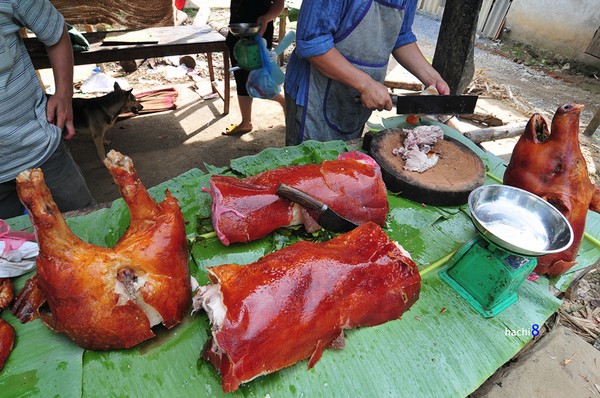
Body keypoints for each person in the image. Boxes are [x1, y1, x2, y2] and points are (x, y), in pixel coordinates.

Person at [284, 0, 450, 146]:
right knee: (308, 170)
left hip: (355, 101)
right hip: (315, 94)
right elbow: (313, 42)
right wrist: (365, 84)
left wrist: (433, 80)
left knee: (343, 165)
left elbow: (401, 35)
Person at [0, 0, 94, 219]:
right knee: (12, 246)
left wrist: (64, 93)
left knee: (87, 226)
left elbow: (55, 31)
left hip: (39, 149)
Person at [223, 0, 286, 136]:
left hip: (260, 34)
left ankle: (284, 103)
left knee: (260, 78)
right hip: (236, 32)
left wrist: (267, 17)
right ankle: (246, 122)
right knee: (241, 78)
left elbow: (279, 3)